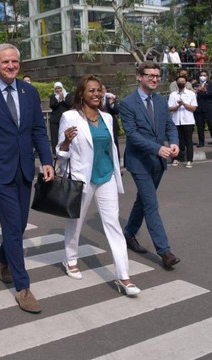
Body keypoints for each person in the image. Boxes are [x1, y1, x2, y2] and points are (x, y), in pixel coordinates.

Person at [0, 43, 54, 314]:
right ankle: (22, 287)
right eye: (5, 62)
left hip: (25, 169)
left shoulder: (29, 92)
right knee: (12, 225)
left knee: (20, 224)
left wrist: (47, 160)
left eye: (15, 61)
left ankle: (3, 258)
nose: (11, 66)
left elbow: (39, 129)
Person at [56, 74, 141, 296]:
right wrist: (65, 141)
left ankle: (124, 277)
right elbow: (60, 153)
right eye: (91, 90)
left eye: (99, 90)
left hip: (106, 177)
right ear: (81, 94)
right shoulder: (69, 117)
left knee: (112, 224)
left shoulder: (107, 118)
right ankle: (70, 259)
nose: (96, 94)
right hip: (81, 179)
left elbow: (109, 149)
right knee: (75, 221)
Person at [120, 61, 181, 269]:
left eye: (157, 75)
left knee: (143, 201)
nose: (155, 79)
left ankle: (128, 233)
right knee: (151, 203)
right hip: (139, 162)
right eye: (150, 75)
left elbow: (169, 125)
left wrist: (174, 142)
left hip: (158, 161)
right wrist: (156, 148)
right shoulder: (128, 103)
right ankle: (165, 252)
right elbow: (132, 135)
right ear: (139, 76)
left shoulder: (161, 101)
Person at [168, 75, 198, 168]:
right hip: (176, 121)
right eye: (179, 81)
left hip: (188, 121)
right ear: (176, 83)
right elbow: (170, 108)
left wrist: (183, 104)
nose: (181, 83)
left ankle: (189, 160)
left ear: (186, 82)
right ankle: (176, 158)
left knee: (188, 141)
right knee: (177, 142)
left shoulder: (191, 94)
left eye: (183, 81)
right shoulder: (173, 94)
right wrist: (178, 106)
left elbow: (193, 108)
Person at [194, 70, 212, 148]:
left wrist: (205, 91)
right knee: (200, 127)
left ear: (207, 76)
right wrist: (197, 90)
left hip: (208, 108)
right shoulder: (195, 84)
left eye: (204, 75)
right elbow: (192, 93)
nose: (203, 77)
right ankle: (201, 142)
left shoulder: (210, 84)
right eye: (201, 75)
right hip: (198, 108)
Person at [49, 81, 73, 155]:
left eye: (59, 88)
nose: (58, 90)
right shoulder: (53, 96)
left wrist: (63, 100)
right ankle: (55, 153)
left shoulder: (67, 95)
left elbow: (70, 104)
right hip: (55, 120)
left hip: (65, 119)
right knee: (54, 137)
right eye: (56, 88)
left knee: (64, 135)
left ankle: (64, 151)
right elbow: (52, 106)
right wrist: (58, 100)